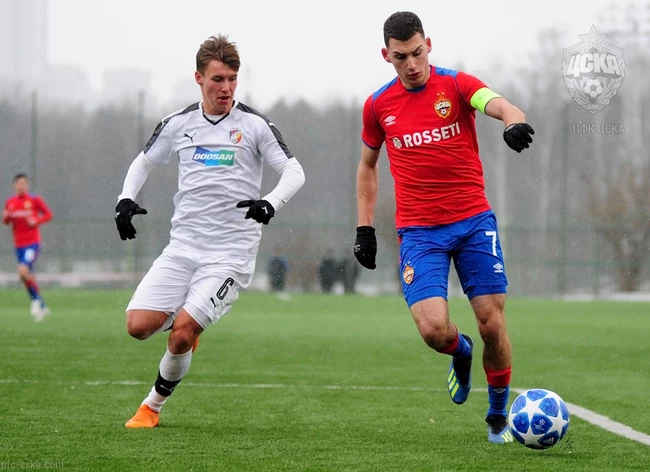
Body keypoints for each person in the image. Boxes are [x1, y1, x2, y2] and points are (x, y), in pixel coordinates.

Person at [353, 11, 535, 444]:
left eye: (417, 52)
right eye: (401, 57)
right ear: (386, 56)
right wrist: (364, 228)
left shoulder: (456, 85)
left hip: (473, 222)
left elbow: (499, 103)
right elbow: (367, 166)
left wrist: (512, 120)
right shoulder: (378, 106)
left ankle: (497, 416)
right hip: (419, 233)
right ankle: (461, 350)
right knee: (434, 331)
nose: (412, 64)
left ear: (428, 45)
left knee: (492, 322)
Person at [114, 34, 305, 428]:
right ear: (199, 78)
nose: (227, 88)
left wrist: (270, 202)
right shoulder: (178, 123)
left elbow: (293, 170)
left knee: (181, 334)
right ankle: (189, 322)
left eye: (233, 79)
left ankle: (151, 407)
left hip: (230, 254)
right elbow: (143, 161)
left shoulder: (254, 125)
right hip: (183, 247)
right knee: (137, 327)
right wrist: (125, 199)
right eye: (218, 79)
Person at [2, 173, 53, 321]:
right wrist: (5, 217)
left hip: (32, 244)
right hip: (18, 245)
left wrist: (36, 220)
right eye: (19, 183)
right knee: (24, 276)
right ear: (14, 185)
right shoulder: (10, 202)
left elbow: (48, 215)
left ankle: (35, 301)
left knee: (23, 271)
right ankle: (42, 305)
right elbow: (6, 220)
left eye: (24, 183)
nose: (21, 186)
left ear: (27, 185)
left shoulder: (34, 200)